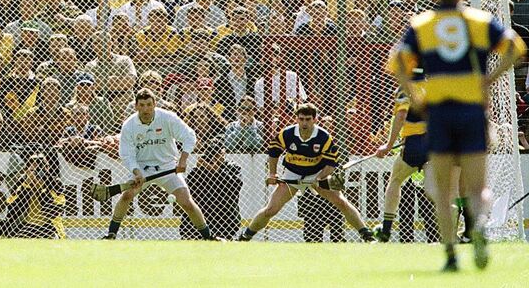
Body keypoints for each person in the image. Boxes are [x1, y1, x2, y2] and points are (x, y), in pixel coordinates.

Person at [387, 0, 526, 271]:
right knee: (476, 186)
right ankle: (476, 227)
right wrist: (490, 79)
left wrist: (414, 94)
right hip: (472, 110)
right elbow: (516, 47)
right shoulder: (478, 21)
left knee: (441, 189)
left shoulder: (422, 24)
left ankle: (450, 255)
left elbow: (396, 61)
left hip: (438, 113)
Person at [238, 102, 376, 242]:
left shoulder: (323, 137)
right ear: (296, 119)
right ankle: (245, 236)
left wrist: (321, 178)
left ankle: (367, 235)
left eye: (308, 119)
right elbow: (274, 153)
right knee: (271, 209)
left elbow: (331, 164)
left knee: (341, 202)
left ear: (315, 119)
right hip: (292, 173)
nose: (304, 123)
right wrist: (272, 174)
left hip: (317, 173)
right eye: (301, 119)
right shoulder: (287, 133)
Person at [102, 87, 221, 240]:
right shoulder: (129, 125)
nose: (146, 109)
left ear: (155, 104)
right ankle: (111, 234)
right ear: (136, 106)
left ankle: (208, 237)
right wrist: (137, 172)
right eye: (142, 105)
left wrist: (183, 159)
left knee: (186, 202)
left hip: (168, 168)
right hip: (142, 168)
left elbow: (189, 136)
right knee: (126, 196)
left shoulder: (167, 118)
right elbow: (127, 154)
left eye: (149, 104)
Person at [372, 68, 439, 244]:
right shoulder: (433, 87)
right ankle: (448, 230)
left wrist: (388, 145)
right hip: (434, 144)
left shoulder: (405, 88)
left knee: (395, 180)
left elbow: (401, 115)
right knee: (434, 188)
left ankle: (385, 230)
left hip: (414, 144)